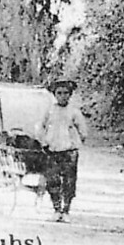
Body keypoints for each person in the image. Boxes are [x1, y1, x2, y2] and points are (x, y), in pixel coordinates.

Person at [35, 76, 88, 222]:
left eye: (66, 93)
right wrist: (43, 141)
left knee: (69, 181)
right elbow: (39, 127)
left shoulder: (74, 111)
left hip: (69, 150)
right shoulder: (49, 111)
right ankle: (56, 209)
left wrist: (79, 140)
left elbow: (82, 128)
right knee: (53, 179)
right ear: (54, 94)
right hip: (52, 149)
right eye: (59, 93)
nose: (63, 96)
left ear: (70, 95)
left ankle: (66, 210)